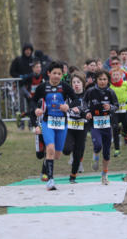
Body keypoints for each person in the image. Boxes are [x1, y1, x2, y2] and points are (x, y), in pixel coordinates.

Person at [32, 61, 78, 190]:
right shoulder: (43, 87)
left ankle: (45, 165)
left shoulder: (65, 87)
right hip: (48, 122)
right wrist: (36, 110)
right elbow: (33, 101)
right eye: (54, 73)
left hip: (61, 123)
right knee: (50, 149)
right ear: (49, 74)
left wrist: (68, 106)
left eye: (59, 73)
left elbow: (76, 100)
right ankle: (50, 181)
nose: (57, 76)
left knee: (57, 155)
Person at [82, 70, 119, 185]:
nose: (102, 82)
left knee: (107, 152)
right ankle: (96, 154)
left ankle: (104, 174)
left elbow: (116, 106)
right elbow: (84, 102)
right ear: (96, 80)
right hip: (95, 124)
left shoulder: (111, 92)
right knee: (98, 145)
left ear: (108, 80)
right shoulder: (90, 91)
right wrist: (87, 112)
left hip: (107, 125)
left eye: (104, 79)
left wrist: (111, 107)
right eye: (100, 79)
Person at [62, 72, 89, 183]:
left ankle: (73, 176)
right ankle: (70, 146)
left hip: (82, 126)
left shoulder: (87, 95)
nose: (76, 84)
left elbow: (89, 109)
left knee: (78, 151)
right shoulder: (68, 95)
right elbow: (63, 106)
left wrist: (82, 111)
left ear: (83, 84)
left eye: (78, 82)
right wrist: (68, 109)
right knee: (67, 150)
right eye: (74, 82)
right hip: (70, 125)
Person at [10, 43, 34, 130]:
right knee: (21, 106)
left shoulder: (34, 60)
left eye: (29, 50)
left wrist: (31, 75)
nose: (28, 51)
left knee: (31, 106)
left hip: (32, 86)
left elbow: (38, 71)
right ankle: (21, 125)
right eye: (26, 50)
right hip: (21, 86)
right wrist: (20, 76)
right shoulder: (18, 60)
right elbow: (12, 72)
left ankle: (31, 124)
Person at [110, 69, 127, 156]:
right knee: (114, 129)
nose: (115, 77)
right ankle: (117, 149)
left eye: (117, 75)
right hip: (114, 111)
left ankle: (123, 132)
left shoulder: (126, 84)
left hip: (124, 109)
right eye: (114, 75)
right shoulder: (110, 86)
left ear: (121, 75)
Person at [20, 61, 44, 131]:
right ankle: (31, 126)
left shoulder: (43, 76)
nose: (39, 69)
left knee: (39, 111)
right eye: (37, 67)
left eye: (40, 67)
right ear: (33, 69)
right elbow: (22, 86)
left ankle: (23, 115)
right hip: (31, 98)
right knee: (32, 111)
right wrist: (27, 94)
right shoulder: (29, 77)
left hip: (40, 98)